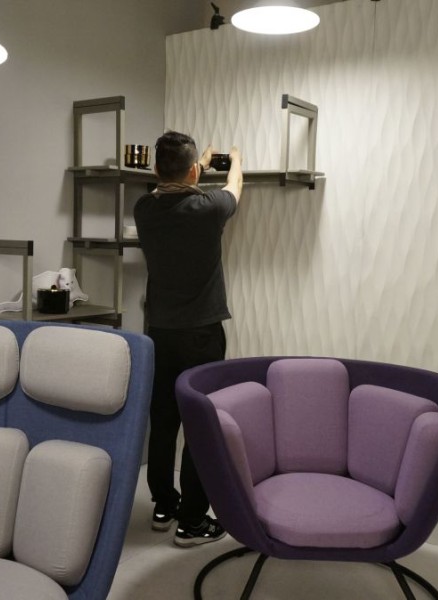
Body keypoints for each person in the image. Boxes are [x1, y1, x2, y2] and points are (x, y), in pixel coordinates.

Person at [134, 130, 243, 547]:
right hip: (201, 335)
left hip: (159, 333)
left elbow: (173, 187)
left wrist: (200, 162)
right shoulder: (209, 208)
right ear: (194, 171)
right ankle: (192, 522)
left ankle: (164, 505)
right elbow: (234, 186)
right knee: (199, 423)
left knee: (163, 421)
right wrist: (235, 158)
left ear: (155, 169)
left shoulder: (144, 208)